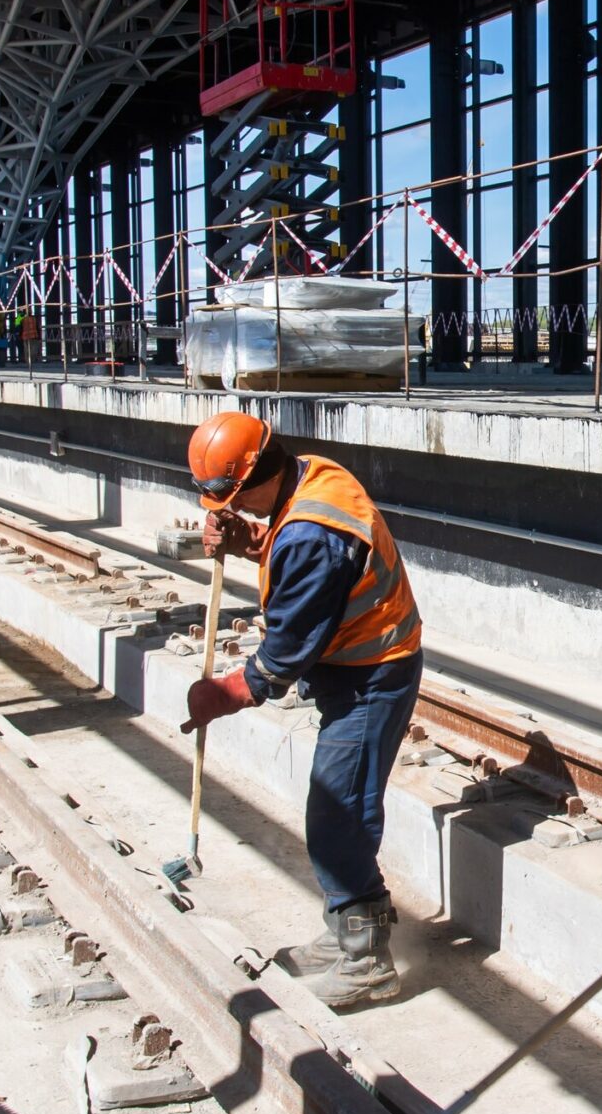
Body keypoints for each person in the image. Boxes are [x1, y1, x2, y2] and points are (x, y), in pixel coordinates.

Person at [179, 410, 424, 1007]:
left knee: (339, 812)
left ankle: (367, 958)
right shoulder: (308, 474)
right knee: (338, 804)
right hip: (357, 664)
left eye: (233, 505)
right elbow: (298, 545)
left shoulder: (314, 532)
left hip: (372, 673)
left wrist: (232, 691)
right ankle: (347, 929)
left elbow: (287, 647)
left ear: (255, 475)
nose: (231, 513)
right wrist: (249, 540)